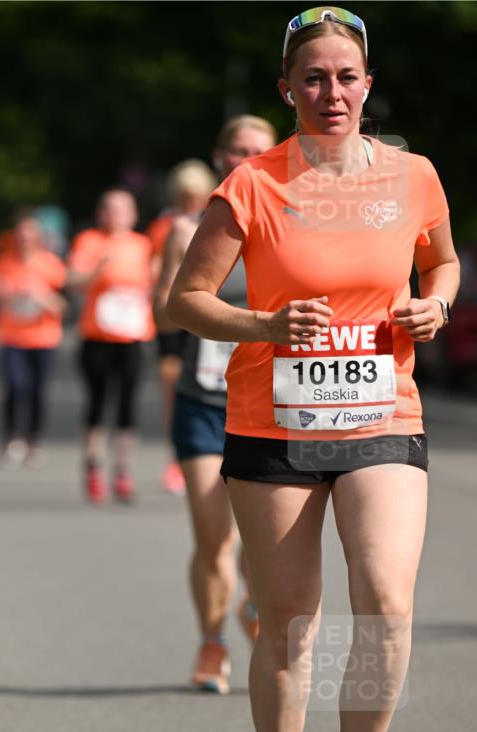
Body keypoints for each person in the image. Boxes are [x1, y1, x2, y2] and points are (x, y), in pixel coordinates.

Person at [167, 7, 459, 732]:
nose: (330, 92)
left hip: (382, 415)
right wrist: (259, 324)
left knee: (387, 602)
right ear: (285, 88)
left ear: (367, 86)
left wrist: (434, 302)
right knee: (290, 623)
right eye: (313, 77)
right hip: (275, 425)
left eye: (345, 76)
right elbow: (183, 301)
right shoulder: (253, 183)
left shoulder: (413, 176)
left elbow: (440, 261)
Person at [154, 117, 276, 694]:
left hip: (271, 401)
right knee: (212, 536)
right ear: (220, 156)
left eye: (259, 149)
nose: (247, 157)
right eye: (238, 149)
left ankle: (253, 602)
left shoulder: (289, 226)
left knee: (263, 543)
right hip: (204, 403)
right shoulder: (186, 230)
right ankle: (212, 642)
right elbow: (162, 314)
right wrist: (193, 302)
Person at [67, 189, 155, 503]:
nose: (115, 214)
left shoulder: (142, 244)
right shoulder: (89, 241)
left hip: (132, 335)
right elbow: (73, 280)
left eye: (122, 208)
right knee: (97, 400)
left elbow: (152, 283)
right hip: (97, 336)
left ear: (132, 214)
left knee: (127, 404)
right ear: (100, 212)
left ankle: (123, 470)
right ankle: (92, 465)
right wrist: (96, 271)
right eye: (109, 208)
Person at [147, 160, 218, 496]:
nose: (189, 203)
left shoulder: (218, 220)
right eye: (183, 197)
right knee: (172, 387)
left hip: (216, 325)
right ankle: (178, 457)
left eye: (195, 196)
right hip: (179, 325)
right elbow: (152, 266)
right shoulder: (167, 226)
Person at [0, 211, 67, 468]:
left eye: (29, 235)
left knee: (36, 390)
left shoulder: (51, 265)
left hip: (43, 337)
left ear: (38, 238)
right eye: (20, 235)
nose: (24, 240)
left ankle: (34, 439)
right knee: (14, 386)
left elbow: (64, 306)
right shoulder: (3, 263)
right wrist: (7, 295)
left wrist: (42, 298)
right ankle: (12, 438)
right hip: (11, 335)